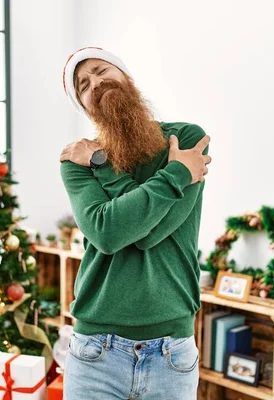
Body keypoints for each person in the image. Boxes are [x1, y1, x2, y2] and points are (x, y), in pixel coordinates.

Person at [58, 47, 211, 400]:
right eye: (83, 84)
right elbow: (108, 233)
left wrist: (102, 165)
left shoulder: (186, 140)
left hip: (171, 353)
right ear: (83, 105)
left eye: (101, 70)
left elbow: (150, 233)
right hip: (95, 353)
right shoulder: (76, 159)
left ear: (127, 78)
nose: (95, 83)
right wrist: (175, 173)